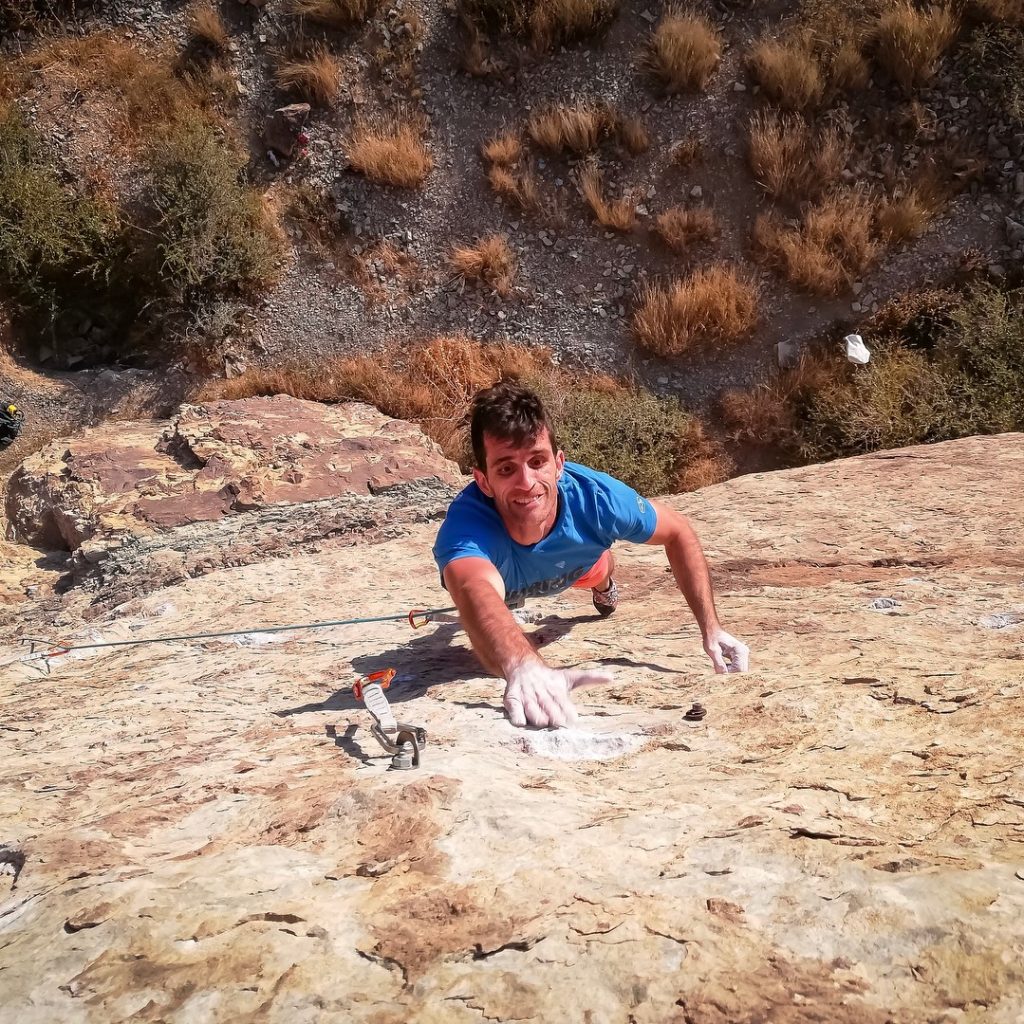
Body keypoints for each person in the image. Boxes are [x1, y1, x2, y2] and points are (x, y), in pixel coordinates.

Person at [432, 380, 750, 729]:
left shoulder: (598, 500)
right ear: (483, 481)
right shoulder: (466, 528)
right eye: (506, 469)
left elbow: (678, 532)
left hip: (577, 565)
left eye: (537, 461)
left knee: (598, 568)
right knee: (490, 604)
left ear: (559, 464)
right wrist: (523, 664)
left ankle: (603, 584)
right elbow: (474, 587)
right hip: (505, 582)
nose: (526, 482)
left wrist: (711, 628)